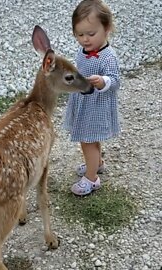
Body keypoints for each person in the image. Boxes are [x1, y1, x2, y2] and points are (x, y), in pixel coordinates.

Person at [63, 0, 121, 196]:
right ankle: (96, 164)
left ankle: (91, 178)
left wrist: (103, 81)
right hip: (83, 102)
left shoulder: (108, 57)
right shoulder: (82, 51)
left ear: (107, 29)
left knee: (87, 140)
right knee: (90, 139)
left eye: (91, 34)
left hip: (96, 106)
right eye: (80, 35)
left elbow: (115, 80)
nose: (85, 40)